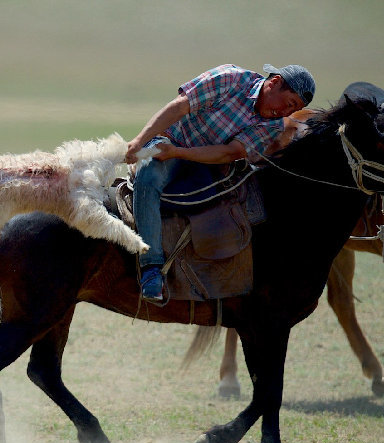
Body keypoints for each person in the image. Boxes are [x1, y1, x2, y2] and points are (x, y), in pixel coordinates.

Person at [124, 63, 315, 301]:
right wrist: (141, 140)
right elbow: (180, 106)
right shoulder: (230, 79)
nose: (286, 113)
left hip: (210, 164)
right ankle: (151, 269)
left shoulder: (272, 125)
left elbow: (229, 152)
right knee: (148, 179)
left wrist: (178, 153)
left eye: (294, 110)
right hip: (171, 139)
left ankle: (227, 276)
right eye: (289, 104)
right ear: (274, 83)